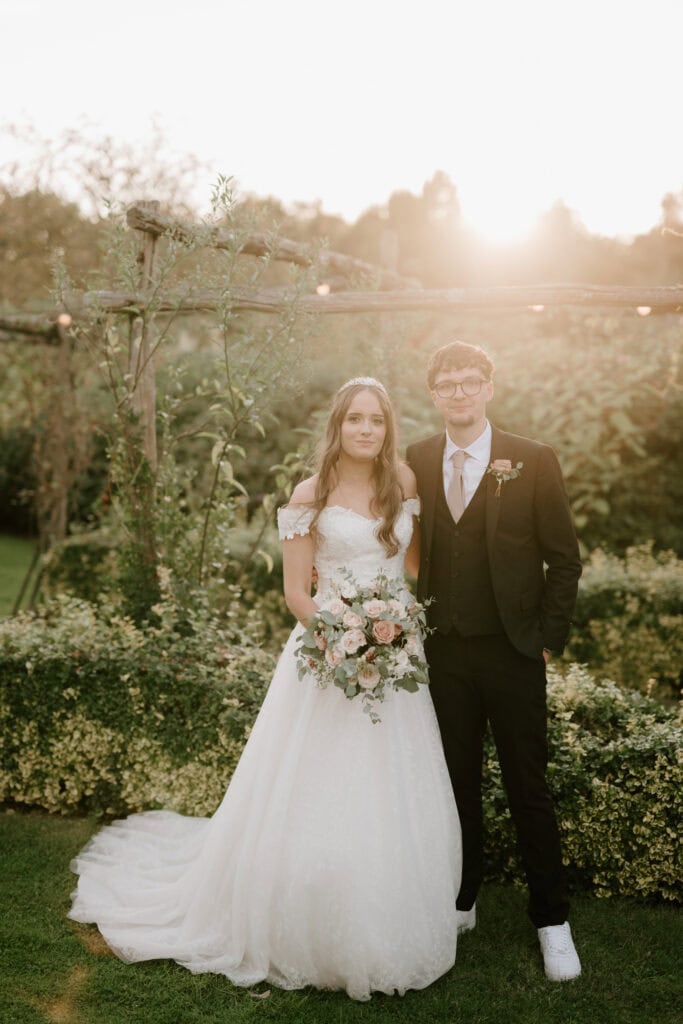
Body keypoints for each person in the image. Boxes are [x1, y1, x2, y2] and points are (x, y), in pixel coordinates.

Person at [69, 377, 462, 1001]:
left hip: (395, 658)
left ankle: (389, 900)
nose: (367, 430)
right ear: (337, 425)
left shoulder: (404, 485)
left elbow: (410, 569)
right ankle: (301, 910)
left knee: (392, 779)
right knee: (320, 781)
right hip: (328, 655)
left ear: (388, 429)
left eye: (378, 421)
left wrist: (394, 626)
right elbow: (297, 592)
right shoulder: (311, 493)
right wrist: (344, 635)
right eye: (356, 419)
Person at [406, 341, 583, 982]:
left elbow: (564, 557)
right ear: (433, 393)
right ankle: (463, 897)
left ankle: (552, 921)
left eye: (469, 380)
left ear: (488, 387)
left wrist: (547, 636)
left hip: (512, 652)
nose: (458, 391)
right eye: (446, 383)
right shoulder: (418, 459)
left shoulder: (532, 460)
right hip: (443, 652)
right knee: (454, 785)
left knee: (527, 787)